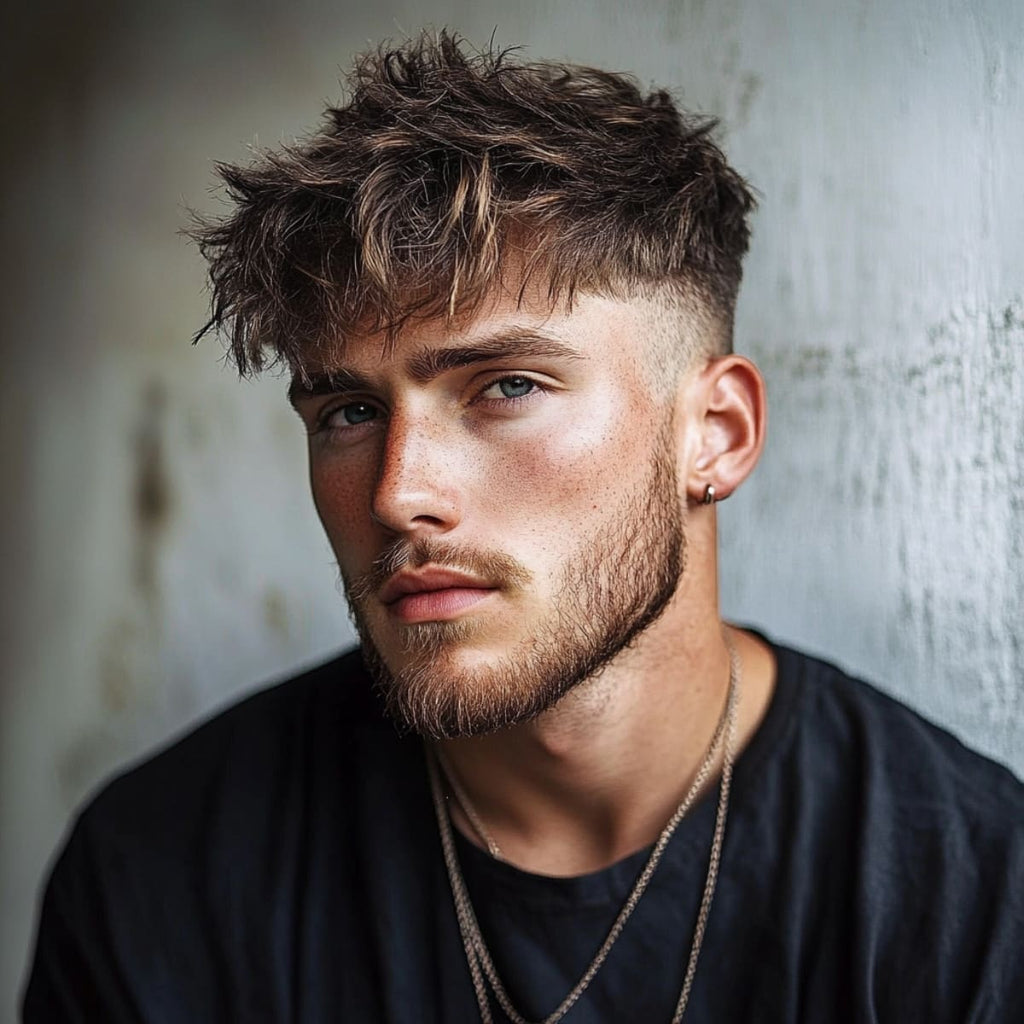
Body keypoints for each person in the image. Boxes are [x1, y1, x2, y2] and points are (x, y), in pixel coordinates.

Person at [22, 32, 1024, 1023]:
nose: (397, 495)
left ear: (713, 435)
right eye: (348, 413)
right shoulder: (162, 876)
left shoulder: (967, 894)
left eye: (505, 386)